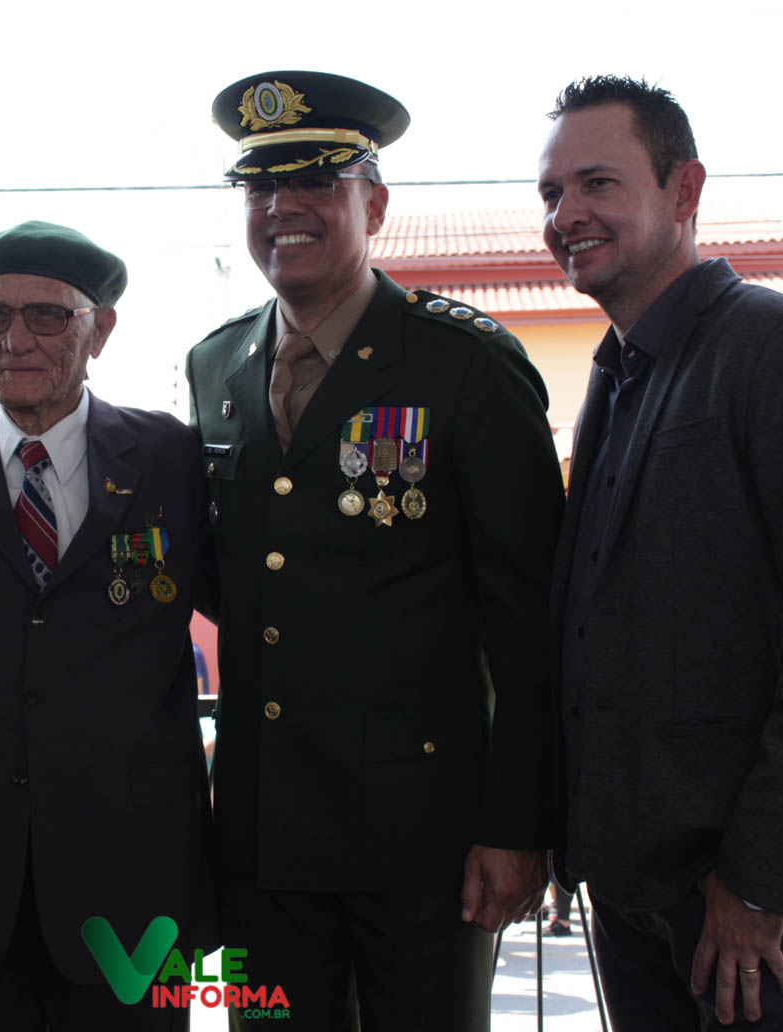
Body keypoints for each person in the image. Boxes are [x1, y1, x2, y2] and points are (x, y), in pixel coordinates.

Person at [186, 71, 563, 1030]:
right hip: (265, 842)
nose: (283, 208)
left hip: (422, 845)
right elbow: (240, 579)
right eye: (260, 187)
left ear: (376, 205)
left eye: (316, 181)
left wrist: (517, 826)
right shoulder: (216, 364)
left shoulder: (463, 363)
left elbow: (530, 622)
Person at [539, 76, 783, 1030]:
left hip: (748, 910)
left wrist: (759, 883)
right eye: (552, 193)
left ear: (685, 190)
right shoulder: (614, 377)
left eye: (598, 183)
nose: (567, 215)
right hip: (633, 893)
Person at [0, 221, 214, 1031]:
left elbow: (256, 607)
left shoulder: (171, 457)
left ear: (99, 330)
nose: (15, 340)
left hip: (135, 884)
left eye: (46, 315)